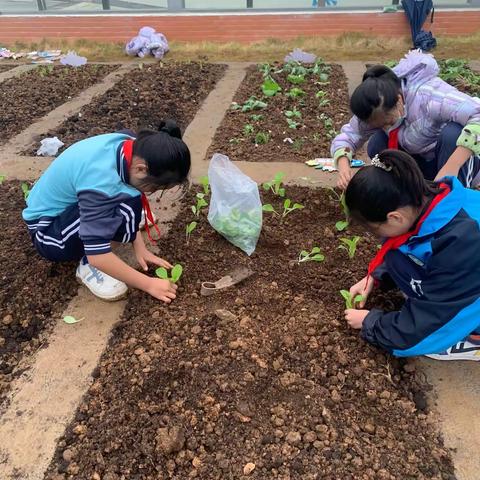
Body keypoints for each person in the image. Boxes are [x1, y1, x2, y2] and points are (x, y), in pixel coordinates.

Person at [22, 120, 190, 303]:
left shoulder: (132, 144)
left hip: (66, 206)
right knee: (123, 207)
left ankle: (116, 224)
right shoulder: (100, 184)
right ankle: (87, 268)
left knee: (130, 197)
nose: (152, 193)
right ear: (141, 168)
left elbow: (131, 191)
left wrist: (140, 246)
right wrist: (149, 284)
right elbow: (98, 256)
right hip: (48, 232)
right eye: (154, 188)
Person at [343, 149, 480, 361]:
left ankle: (472, 337)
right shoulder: (433, 201)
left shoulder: (463, 241)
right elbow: (407, 244)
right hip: (466, 272)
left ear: (395, 217)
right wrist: (376, 278)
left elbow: (416, 333)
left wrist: (371, 321)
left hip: (470, 274)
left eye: (375, 230)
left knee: (433, 336)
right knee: (398, 256)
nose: (377, 236)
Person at [331, 50, 480, 190]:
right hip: (420, 160)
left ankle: (456, 195)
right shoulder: (373, 107)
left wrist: (452, 166)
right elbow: (349, 136)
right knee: (377, 143)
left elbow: (477, 113)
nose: (386, 128)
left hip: (451, 159)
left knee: (452, 133)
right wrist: (344, 168)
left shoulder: (429, 97)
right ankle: (406, 194)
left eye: (388, 122)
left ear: (398, 100)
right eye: (380, 125)